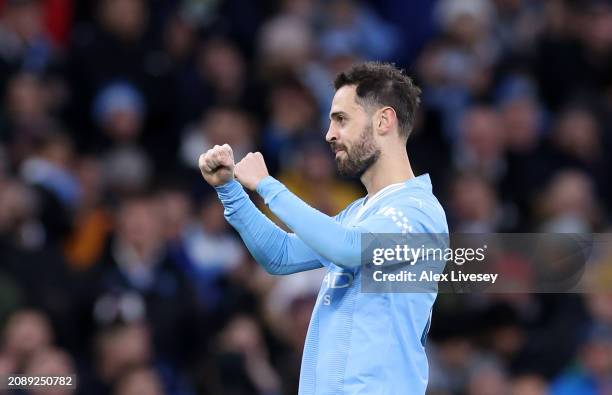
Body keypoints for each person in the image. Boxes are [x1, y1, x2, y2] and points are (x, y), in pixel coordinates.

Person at [199, 62, 448, 394]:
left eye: (341, 119)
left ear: (383, 121)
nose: (329, 134)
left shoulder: (417, 211)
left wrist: (269, 186)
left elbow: (346, 249)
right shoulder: (358, 213)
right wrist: (230, 190)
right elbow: (281, 255)